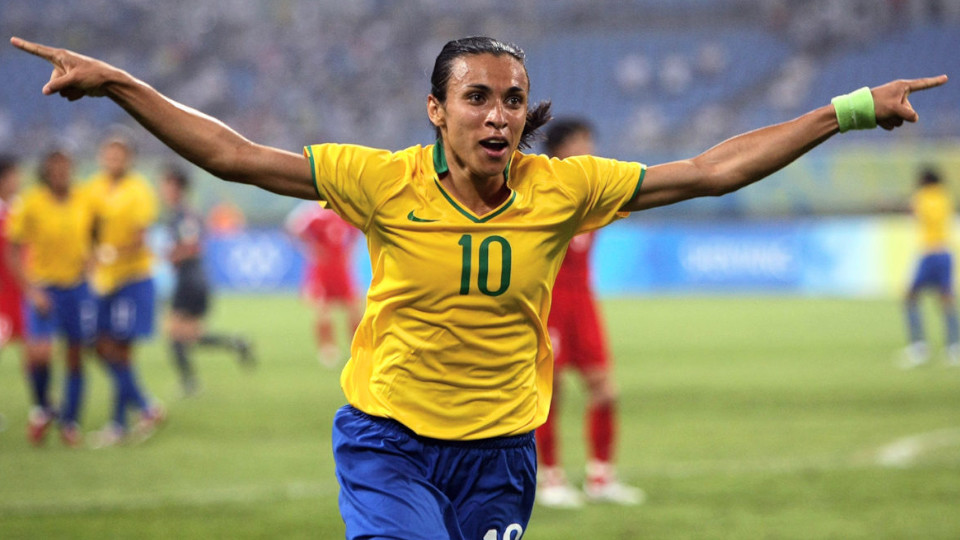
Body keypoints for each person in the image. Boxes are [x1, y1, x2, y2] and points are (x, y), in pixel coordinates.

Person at [11, 34, 945, 538]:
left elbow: (710, 171)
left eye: (510, 98)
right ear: (437, 111)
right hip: (390, 444)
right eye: (476, 98)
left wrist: (848, 109)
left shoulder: (564, 188)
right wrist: (124, 85)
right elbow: (235, 156)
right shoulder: (381, 180)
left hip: (501, 454)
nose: (497, 115)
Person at [534, 118, 644, 508]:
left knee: (605, 390)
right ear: (560, 148)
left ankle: (601, 477)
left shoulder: (595, 190)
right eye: (582, 142)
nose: (589, 149)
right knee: (549, 393)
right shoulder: (539, 189)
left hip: (583, 303)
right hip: (550, 303)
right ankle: (550, 479)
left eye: (591, 141)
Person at [4, 148, 95, 447]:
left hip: (77, 287)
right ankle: (44, 407)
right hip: (44, 288)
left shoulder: (84, 198)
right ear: (46, 171)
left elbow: (96, 234)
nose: (60, 172)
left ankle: (70, 422)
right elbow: (13, 251)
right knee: (38, 355)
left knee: (74, 355)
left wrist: (92, 265)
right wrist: (31, 290)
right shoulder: (31, 202)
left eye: (65, 166)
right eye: (55, 167)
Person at [85, 134, 165, 447]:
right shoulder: (93, 188)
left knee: (120, 349)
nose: (113, 161)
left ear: (129, 159)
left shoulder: (139, 190)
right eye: (109, 155)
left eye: (119, 155)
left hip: (132, 279)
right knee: (99, 345)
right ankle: (145, 406)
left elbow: (140, 235)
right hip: (104, 281)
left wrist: (110, 253)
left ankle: (120, 423)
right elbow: (88, 228)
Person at [159, 164, 254, 396]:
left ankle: (189, 383)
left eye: (165, 185)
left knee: (174, 333)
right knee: (189, 336)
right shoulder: (183, 213)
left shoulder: (184, 214)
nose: (161, 190)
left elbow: (193, 247)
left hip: (190, 280)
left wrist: (172, 254)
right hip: (194, 279)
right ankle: (234, 343)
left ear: (177, 187)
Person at [285, 201, 361, 368]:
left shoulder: (347, 212)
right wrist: (310, 250)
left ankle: (358, 349)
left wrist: (350, 253)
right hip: (322, 268)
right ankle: (327, 350)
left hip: (341, 268)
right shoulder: (314, 214)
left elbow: (356, 234)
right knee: (323, 309)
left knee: (354, 308)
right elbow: (293, 228)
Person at [901, 167, 960, 368]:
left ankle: (919, 347)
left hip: (928, 253)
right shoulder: (945, 196)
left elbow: (915, 215)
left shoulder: (921, 196)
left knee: (910, 297)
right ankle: (954, 347)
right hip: (945, 252)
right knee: (947, 300)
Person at [0, 156, 24, 351]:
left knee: (33, 345)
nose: (18, 179)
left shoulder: (22, 208)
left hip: (23, 287)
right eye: (13, 175)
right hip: (4, 288)